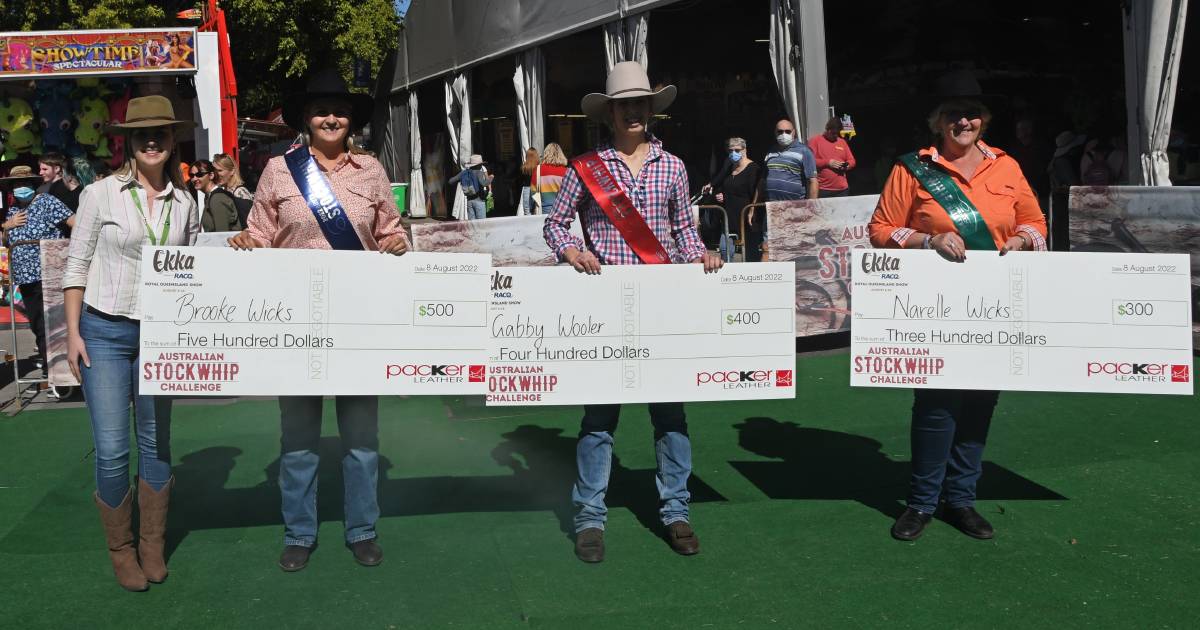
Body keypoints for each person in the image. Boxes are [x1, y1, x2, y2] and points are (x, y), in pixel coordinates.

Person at [228, 68, 409, 572]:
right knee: (300, 438)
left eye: (341, 111)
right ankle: (299, 532)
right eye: (320, 110)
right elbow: (260, 232)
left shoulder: (371, 170)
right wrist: (247, 242)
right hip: (296, 324)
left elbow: (391, 231)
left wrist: (396, 242)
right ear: (305, 119)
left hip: (358, 322)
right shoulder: (278, 171)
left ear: (350, 121)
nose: (331, 118)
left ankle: (362, 528)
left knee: (360, 436)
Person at [544, 61, 723, 564]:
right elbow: (556, 225)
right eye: (625, 105)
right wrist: (571, 251)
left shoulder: (674, 166)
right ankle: (589, 518)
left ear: (651, 110)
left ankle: (676, 511)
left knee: (670, 417)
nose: (634, 112)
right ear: (611, 113)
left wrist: (701, 254)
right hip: (605, 307)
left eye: (641, 104)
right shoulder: (585, 168)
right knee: (599, 421)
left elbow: (684, 231)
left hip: (661, 306)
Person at [868, 98, 1047, 543]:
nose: (963, 122)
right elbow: (880, 230)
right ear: (938, 121)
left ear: (982, 119)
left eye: (971, 114)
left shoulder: (1006, 165)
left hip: (996, 303)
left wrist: (1024, 240)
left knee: (980, 404)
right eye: (953, 114)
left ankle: (962, 500)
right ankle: (922, 502)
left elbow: (1036, 222)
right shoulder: (912, 169)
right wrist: (928, 239)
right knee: (936, 406)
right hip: (935, 306)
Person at [63, 95, 201, 591]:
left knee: (156, 440)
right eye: (141, 134)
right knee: (112, 448)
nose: (151, 141)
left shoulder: (188, 203)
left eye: (160, 133)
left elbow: (191, 272)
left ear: (172, 141)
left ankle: (152, 545)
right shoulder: (100, 194)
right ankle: (121, 550)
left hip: (160, 335)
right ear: (128, 141)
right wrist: (73, 334)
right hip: (104, 330)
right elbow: (76, 266)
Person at [1, 165, 75, 368]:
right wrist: (7, 226)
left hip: (49, 272)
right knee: (37, 322)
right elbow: (5, 239)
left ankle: (58, 370)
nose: (20, 187)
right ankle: (51, 364)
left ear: (33, 185)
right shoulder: (14, 209)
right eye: (16, 184)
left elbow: (74, 222)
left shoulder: (46, 201)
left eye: (24, 183)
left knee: (52, 323)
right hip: (25, 278)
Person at [708, 137, 761, 258]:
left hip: (746, 218)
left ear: (744, 150)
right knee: (725, 252)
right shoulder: (729, 167)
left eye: (737, 150)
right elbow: (725, 187)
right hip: (728, 218)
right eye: (730, 150)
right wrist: (722, 195)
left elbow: (755, 194)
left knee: (750, 254)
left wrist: (753, 212)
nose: (733, 153)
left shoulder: (753, 169)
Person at [1048, 131, 1085, 251]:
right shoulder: (1063, 162)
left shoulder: (1056, 161)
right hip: (1064, 200)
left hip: (1058, 200)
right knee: (1064, 232)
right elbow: (1073, 184)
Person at [808, 117, 857, 197]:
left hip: (842, 189)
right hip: (823, 189)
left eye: (837, 134)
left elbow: (852, 161)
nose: (835, 136)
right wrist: (828, 162)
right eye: (833, 133)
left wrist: (847, 165)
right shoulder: (815, 141)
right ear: (828, 130)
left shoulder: (842, 142)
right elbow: (809, 162)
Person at [189, 159, 241, 232]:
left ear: (211, 175)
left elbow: (221, 234)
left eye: (199, 174)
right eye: (191, 175)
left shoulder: (217, 198)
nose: (194, 179)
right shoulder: (209, 197)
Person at [448, 154, 491, 220]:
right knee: (481, 225)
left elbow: (450, 181)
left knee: (472, 225)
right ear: (479, 165)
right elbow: (484, 184)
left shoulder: (463, 173)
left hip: (469, 202)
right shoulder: (479, 173)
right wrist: (491, 178)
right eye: (481, 164)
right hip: (479, 201)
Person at [531, 143, 568, 215]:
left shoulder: (538, 170)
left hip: (544, 210)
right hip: (563, 210)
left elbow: (533, 192)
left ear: (546, 154)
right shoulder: (566, 171)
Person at [518, 147, 538, 215]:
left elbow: (520, 181)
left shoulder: (523, 168)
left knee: (527, 210)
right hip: (536, 188)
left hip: (526, 188)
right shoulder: (538, 167)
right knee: (537, 209)